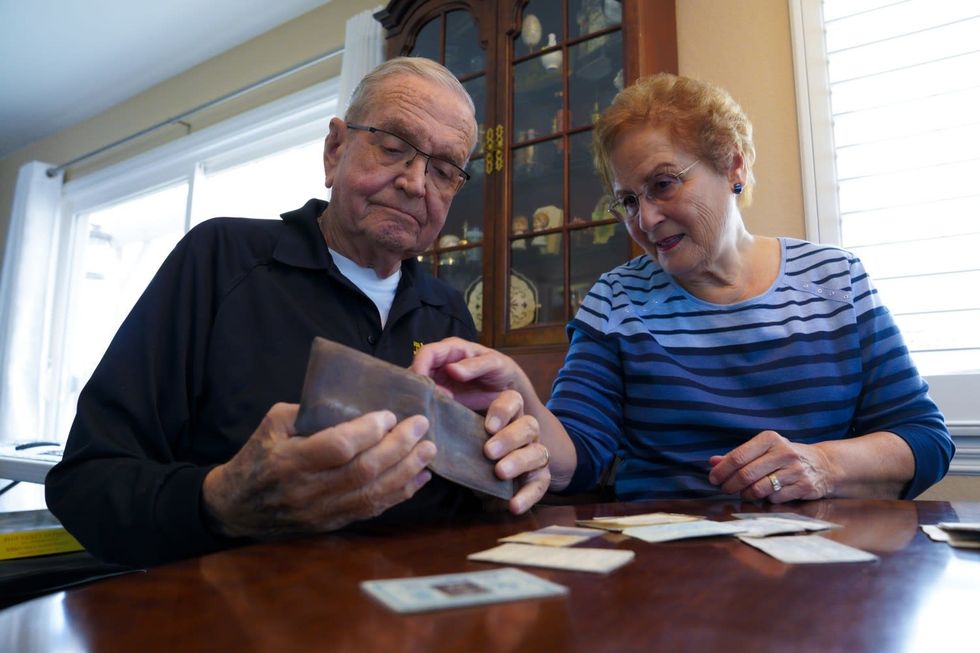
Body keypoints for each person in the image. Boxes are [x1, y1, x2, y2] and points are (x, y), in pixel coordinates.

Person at [45, 57, 550, 567]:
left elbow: (472, 500)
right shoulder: (220, 260)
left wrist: (503, 475)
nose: (416, 183)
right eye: (394, 148)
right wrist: (220, 500)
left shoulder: (448, 313)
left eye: (443, 170)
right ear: (335, 150)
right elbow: (85, 484)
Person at [411, 73, 953, 505]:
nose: (645, 220)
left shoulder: (837, 280)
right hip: (663, 576)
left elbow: (925, 441)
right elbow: (578, 459)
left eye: (664, 184)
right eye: (627, 201)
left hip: (822, 575)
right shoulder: (616, 302)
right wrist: (522, 397)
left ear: (733, 165)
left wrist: (825, 465)